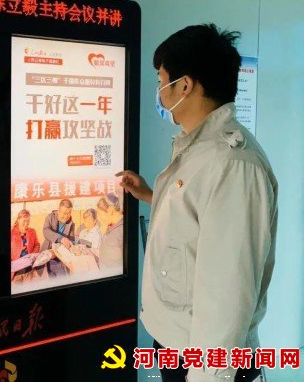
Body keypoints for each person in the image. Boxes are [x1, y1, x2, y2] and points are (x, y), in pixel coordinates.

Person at [116, 24, 278, 382]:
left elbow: (227, 294)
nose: (160, 92)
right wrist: (150, 195)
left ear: (184, 86)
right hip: (179, 343)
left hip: (203, 360)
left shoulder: (233, 164)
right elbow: (202, 220)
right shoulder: (201, 148)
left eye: (162, 81)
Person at [41, 199, 75, 277]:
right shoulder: (50, 217)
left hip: (62, 259)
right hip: (48, 256)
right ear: (58, 210)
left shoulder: (71, 223)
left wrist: (71, 244)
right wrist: (61, 238)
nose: (66, 216)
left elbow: (72, 239)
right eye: (64, 213)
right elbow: (46, 231)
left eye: (69, 213)